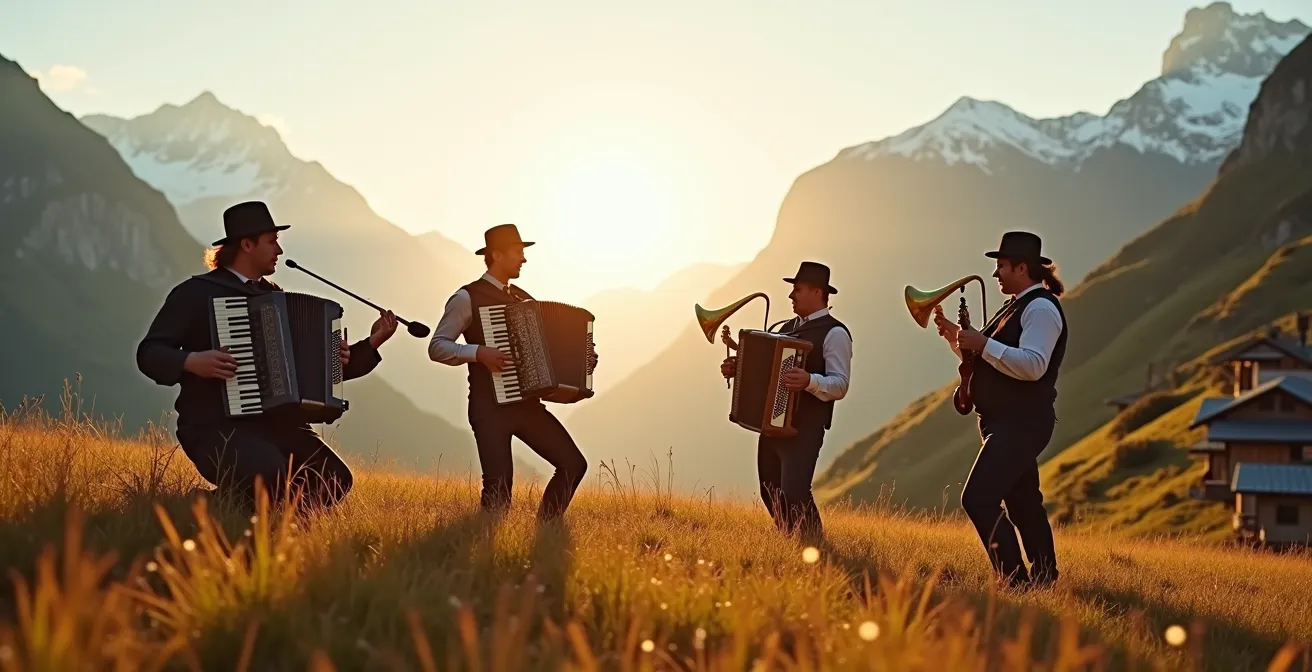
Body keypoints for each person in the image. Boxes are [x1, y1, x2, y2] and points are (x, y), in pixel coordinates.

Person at [135, 201, 399, 511]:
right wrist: (192, 361)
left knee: (335, 479)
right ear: (247, 245)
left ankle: (263, 516)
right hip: (215, 427)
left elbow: (310, 373)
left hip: (280, 425)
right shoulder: (195, 294)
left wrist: (367, 345)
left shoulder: (275, 298)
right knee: (271, 474)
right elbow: (149, 353)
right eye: (272, 241)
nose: (279, 250)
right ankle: (208, 506)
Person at [427, 224, 594, 522]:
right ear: (496, 255)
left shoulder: (522, 298)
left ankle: (547, 529)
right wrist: (478, 352)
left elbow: (544, 352)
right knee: (498, 493)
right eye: (518, 252)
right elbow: (437, 346)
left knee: (573, 464)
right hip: (489, 408)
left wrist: (581, 361)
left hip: (526, 405)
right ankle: (482, 544)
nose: (523, 259)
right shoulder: (467, 297)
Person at [933, 230, 1066, 589]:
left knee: (978, 498)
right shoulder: (1017, 306)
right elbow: (990, 360)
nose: (995, 274)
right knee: (1023, 502)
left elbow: (1033, 366)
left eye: (1002, 266)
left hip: (1021, 422)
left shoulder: (1040, 309)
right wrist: (955, 337)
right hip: (1006, 422)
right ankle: (1044, 578)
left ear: (1022, 268)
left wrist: (982, 343)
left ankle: (1015, 582)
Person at [720, 261, 852, 541]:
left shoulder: (836, 333)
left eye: (798, 289)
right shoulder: (787, 328)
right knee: (769, 490)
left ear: (817, 292)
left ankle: (815, 544)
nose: (791, 295)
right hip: (773, 424)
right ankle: (791, 541)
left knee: (795, 491)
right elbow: (767, 370)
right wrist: (738, 367)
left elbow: (840, 384)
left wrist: (809, 381)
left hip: (806, 428)